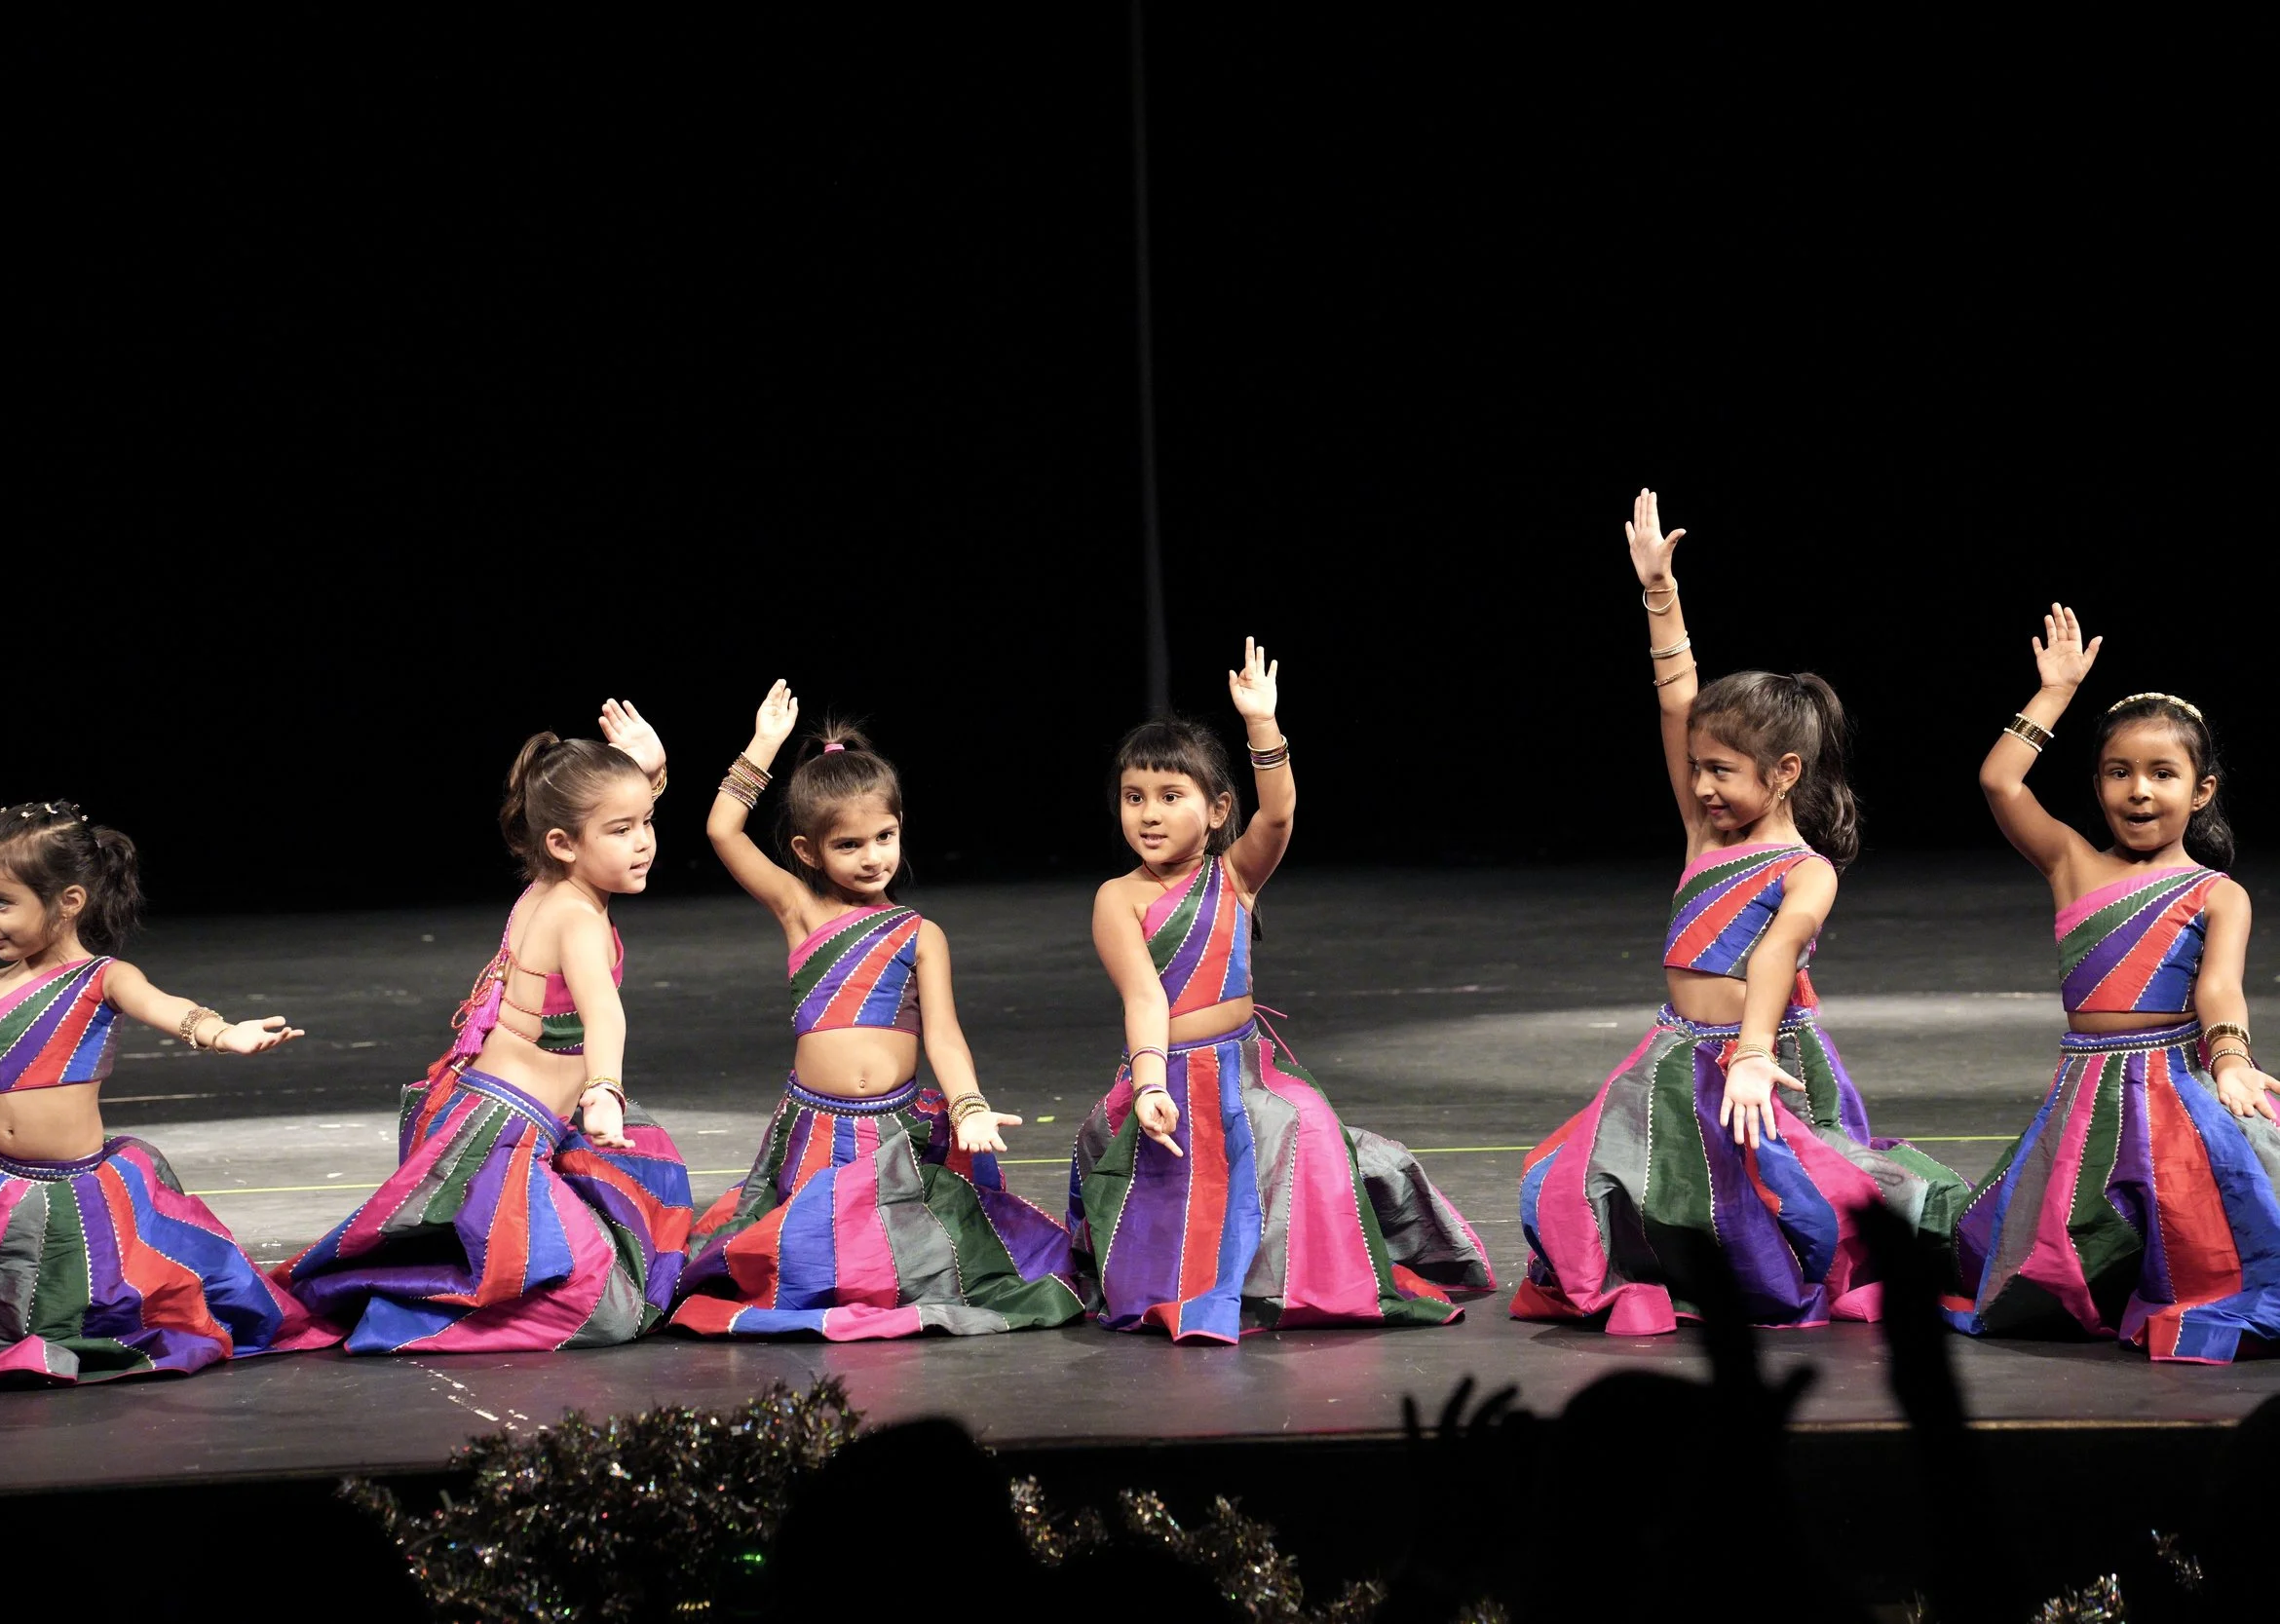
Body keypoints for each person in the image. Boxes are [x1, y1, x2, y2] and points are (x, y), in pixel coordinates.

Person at [1514, 491, 1966, 1336]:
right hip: (1674, 1053)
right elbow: (1677, 697)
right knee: (1581, 1183)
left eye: (1723, 770)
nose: (1704, 785)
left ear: (1785, 770)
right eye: (1698, 768)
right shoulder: (1701, 832)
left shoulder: (1806, 869)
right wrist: (1659, 592)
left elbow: (1773, 956)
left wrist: (1754, 1053)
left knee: (1774, 1204)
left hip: (1758, 1058)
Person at [1069, 639, 1493, 1342]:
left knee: (1306, 1126)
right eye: (1134, 797)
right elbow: (1143, 999)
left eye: (1171, 796)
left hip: (1244, 1069)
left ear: (1215, 808)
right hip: (1167, 1071)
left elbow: (1278, 816)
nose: (1149, 813)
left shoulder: (1233, 874)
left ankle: (1307, 1278)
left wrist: (1263, 726)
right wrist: (1148, 1086)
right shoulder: (1117, 897)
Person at [0, 801, 333, 1392]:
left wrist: (224, 1033)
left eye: (0, 903)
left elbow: (169, 1008)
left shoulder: (103, 977)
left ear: (69, 902)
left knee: (91, 1294)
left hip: (79, 1182)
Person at [668, 683, 1083, 1337]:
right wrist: (764, 744)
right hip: (816, 1128)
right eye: (849, 845)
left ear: (900, 827)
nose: (873, 856)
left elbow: (942, 1035)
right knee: (806, 1262)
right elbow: (722, 827)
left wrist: (969, 1102)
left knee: (905, 1264)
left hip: (888, 1132)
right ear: (807, 851)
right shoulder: (798, 908)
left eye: (884, 836)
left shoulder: (921, 933)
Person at [276, 703, 694, 1351]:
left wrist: (651, 770)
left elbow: (591, 813)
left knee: (646, 1171)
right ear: (563, 842)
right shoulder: (576, 916)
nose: (644, 841)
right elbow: (604, 1012)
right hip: (503, 1142)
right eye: (623, 829)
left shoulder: (552, 881)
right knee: (604, 1311)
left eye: (649, 822)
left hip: (504, 1118)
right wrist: (604, 1088)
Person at [1946, 607, 2280, 1362]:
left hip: (2172, 1089)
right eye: (2119, 772)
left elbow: (2220, 989)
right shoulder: (2072, 862)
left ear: (2201, 791)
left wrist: (2229, 1059)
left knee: (2195, 1229)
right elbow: (1999, 780)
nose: (2139, 791)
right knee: (2042, 1251)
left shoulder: (2215, 892)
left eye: (2163, 774)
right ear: (2097, 783)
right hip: (2084, 1094)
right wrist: (2054, 693)